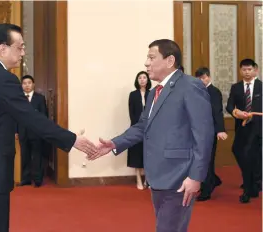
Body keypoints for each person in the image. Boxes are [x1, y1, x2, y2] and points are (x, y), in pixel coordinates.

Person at [0, 23, 96, 232]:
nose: (23, 52)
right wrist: (72, 140)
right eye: (20, 47)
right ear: (3, 48)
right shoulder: (5, 80)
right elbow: (32, 118)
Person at [88, 39, 214, 232]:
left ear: (170, 60)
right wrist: (114, 144)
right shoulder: (154, 91)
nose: (146, 63)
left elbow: (204, 135)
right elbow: (142, 127)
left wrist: (195, 177)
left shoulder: (190, 86)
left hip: (179, 176)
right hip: (158, 175)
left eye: (151, 57)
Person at [226, 59, 262, 203]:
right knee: (238, 152)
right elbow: (229, 106)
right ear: (240, 71)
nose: (247, 72)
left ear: (255, 70)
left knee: (254, 158)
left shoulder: (261, 87)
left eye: (249, 69)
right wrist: (236, 112)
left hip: (258, 129)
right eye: (244, 70)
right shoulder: (236, 87)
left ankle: (249, 188)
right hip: (242, 128)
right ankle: (253, 182)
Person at [195, 67, 227, 201]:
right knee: (200, 159)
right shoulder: (196, 91)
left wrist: (220, 130)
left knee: (207, 160)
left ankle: (206, 190)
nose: (201, 80)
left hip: (209, 131)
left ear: (208, 77)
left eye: (203, 78)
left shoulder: (214, 92)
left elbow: (217, 112)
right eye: (199, 78)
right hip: (197, 131)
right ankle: (213, 179)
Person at [17, 75, 48, 187]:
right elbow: (16, 116)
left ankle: (38, 179)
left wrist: (42, 130)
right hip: (23, 131)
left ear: (33, 84)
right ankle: (26, 179)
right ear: (21, 85)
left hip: (36, 132)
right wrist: (16, 131)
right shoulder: (19, 98)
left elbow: (44, 115)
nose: (27, 85)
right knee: (25, 156)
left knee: (37, 156)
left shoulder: (40, 98)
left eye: (29, 83)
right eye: (24, 83)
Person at [128, 71, 151, 190]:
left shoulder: (151, 94)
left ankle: (148, 179)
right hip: (137, 128)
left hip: (150, 128)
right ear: (137, 81)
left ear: (148, 80)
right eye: (140, 78)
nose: (142, 80)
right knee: (137, 153)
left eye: (144, 77)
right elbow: (131, 113)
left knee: (148, 153)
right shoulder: (133, 95)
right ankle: (138, 179)